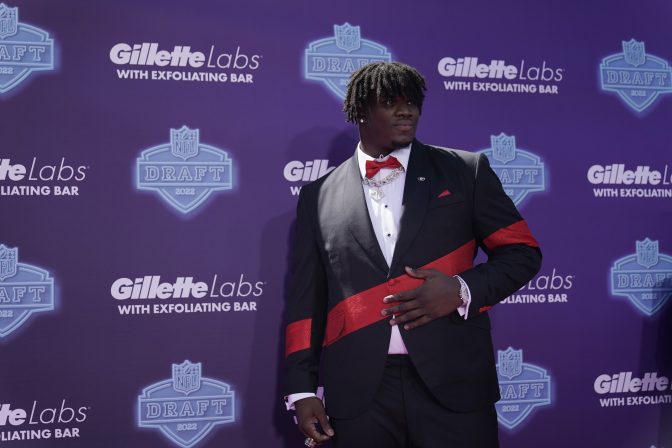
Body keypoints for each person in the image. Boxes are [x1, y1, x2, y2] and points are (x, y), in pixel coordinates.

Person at [283, 61, 541, 448]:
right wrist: (301, 390)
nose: (407, 111)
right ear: (361, 111)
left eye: (413, 102)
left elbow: (522, 253)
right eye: (390, 101)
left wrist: (460, 289)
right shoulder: (317, 196)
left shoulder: (465, 171)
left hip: (454, 383)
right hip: (359, 392)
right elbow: (306, 301)